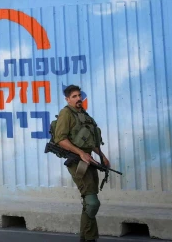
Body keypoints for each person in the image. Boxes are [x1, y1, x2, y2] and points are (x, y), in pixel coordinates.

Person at [53, 85, 110, 242]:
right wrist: (80, 153)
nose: (78, 99)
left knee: (89, 201)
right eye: (74, 96)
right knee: (92, 202)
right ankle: (89, 238)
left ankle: (86, 238)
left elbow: (89, 139)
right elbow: (61, 140)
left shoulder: (83, 114)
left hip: (88, 159)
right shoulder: (66, 114)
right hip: (77, 161)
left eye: (79, 95)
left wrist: (102, 156)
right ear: (67, 99)